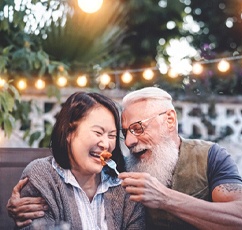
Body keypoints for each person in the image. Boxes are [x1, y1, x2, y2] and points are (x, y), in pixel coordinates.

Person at [7, 87, 242, 230]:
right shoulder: (124, 173)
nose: (127, 142)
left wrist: (164, 198)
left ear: (170, 120)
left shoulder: (211, 157)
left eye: (138, 128)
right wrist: (19, 213)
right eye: (126, 132)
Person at [7, 92, 145, 229]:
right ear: (69, 132)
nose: (105, 144)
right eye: (98, 132)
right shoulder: (42, 176)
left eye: (112, 135)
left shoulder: (125, 183)